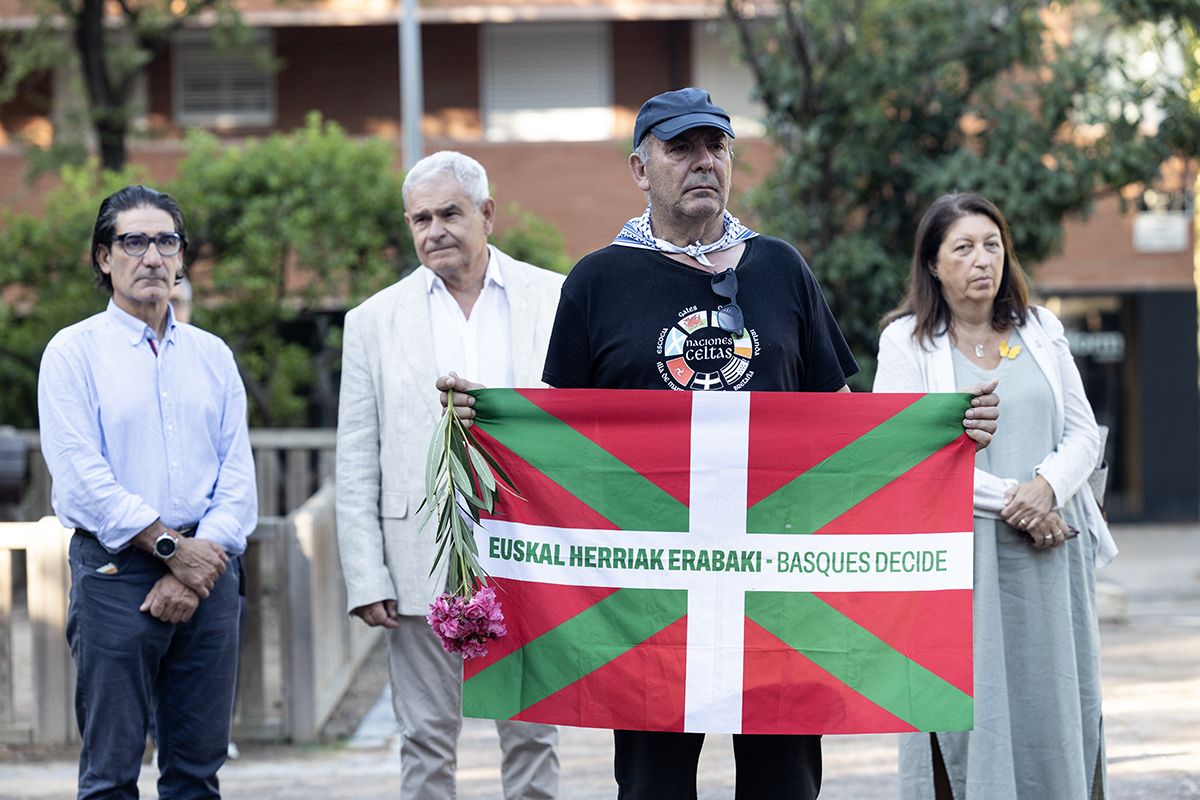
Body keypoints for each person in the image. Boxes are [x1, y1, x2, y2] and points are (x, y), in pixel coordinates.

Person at [440, 88, 999, 800]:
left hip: (776, 592)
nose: (703, 162)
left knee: (784, 785)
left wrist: (942, 437)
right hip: (645, 596)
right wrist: (481, 419)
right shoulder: (595, 282)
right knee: (652, 788)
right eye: (681, 148)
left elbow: (840, 422)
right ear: (640, 169)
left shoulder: (781, 270)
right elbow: (560, 442)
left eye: (716, 146)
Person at [873, 191, 1116, 799]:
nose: (983, 260)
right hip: (961, 563)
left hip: (1051, 555)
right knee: (970, 712)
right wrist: (1022, 500)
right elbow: (904, 455)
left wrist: (1049, 489)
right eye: (963, 248)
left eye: (992, 245)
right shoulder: (906, 343)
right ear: (932, 263)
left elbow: (1084, 432)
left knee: (1055, 698)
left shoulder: (1041, 329)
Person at [336, 151, 563, 799]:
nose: (434, 230)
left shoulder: (554, 297)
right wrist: (365, 573)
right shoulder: (372, 321)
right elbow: (355, 457)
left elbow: (582, 426)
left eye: (450, 213)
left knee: (531, 736)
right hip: (418, 559)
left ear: (486, 213)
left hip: (530, 550)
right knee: (426, 738)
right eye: (420, 218)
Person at [38, 184, 257, 798]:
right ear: (104, 258)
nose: (152, 256)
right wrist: (169, 549)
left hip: (209, 572)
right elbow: (82, 479)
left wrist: (195, 563)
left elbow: (236, 475)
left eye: (166, 241)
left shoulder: (213, 356)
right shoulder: (73, 353)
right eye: (133, 241)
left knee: (197, 772)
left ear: (181, 256)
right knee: (110, 775)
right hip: (116, 572)